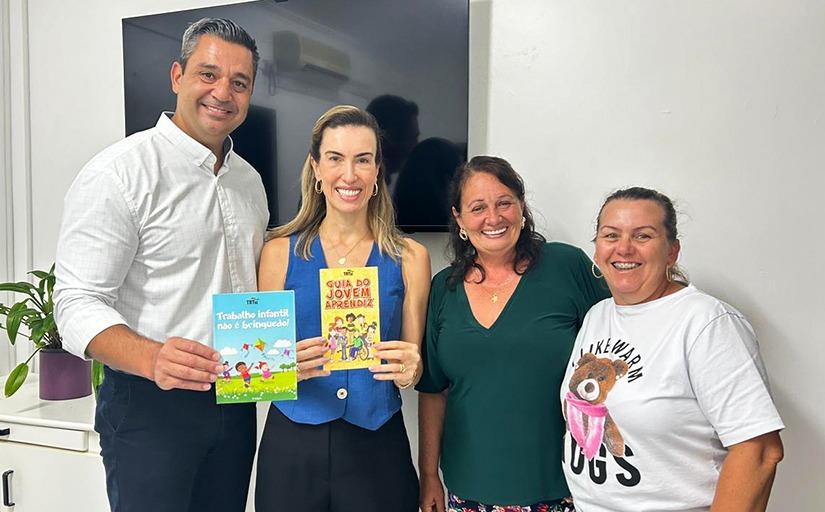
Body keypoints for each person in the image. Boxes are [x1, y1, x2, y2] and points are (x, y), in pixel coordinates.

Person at [53, 18, 267, 512]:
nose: (223, 93)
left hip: (236, 400)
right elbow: (76, 302)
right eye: (208, 75)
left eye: (239, 82)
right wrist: (153, 358)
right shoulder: (119, 173)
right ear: (177, 76)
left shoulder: (249, 182)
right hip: (149, 405)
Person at [561, 187, 784, 511]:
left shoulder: (706, 322)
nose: (624, 248)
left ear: (672, 251)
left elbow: (760, 452)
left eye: (643, 236)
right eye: (611, 235)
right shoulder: (599, 315)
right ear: (596, 249)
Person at [255, 105, 431, 512]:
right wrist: (278, 366)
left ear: (377, 172)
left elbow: (413, 363)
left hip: (377, 445)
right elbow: (259, 367)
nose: (349, 175)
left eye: (362, 160)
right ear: (316, 168)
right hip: (292, 446)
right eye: (335, 158)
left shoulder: (411, 257)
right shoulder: (278, 253)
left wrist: (411, 369)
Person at [417, 156, 610, 512]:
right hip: (468, 490)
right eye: (478, 208)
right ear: (459, 219)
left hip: (561, 487)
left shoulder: (567, 266)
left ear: (521, 207)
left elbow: (620, 343)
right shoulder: (444, 288)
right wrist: (429, 475)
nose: (493, 218)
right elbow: (433, 391)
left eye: (504, 202)